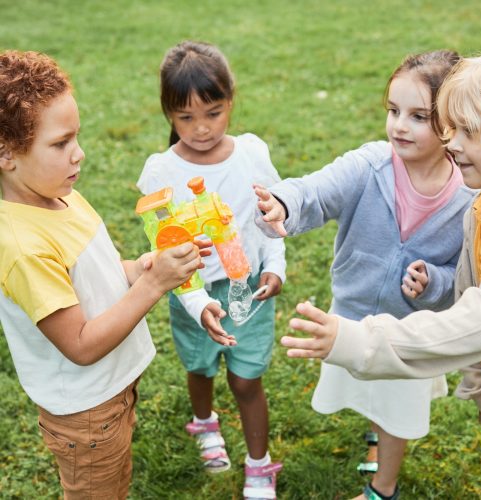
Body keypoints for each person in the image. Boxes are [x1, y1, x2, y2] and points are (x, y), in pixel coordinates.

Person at [277, 49, 481, 499]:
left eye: (421, 117)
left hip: (410, 333)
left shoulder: (465, 198)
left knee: (395, 406)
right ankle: (379, 438)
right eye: (393, 111)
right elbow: (319, 189)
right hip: (361, 317)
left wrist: (430, 284)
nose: (400, 125)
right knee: (371, 396)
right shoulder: (477, 199)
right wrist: (283, 203)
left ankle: (384, 486)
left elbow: (469, 306)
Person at [0, 50, 208, 499]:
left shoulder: (59, 195)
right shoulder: (22, 248)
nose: (79, 153)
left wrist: (144, 268)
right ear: (6, 154)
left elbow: (102, 273)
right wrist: (154, 287)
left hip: (109, 395)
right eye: (60, 144)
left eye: (76, 137)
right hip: (86, 412)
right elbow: (79, 344)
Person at [136, 41, 286, 499]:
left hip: (248, 290)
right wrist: (199, 304)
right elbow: (167, 255)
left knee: (246, 378)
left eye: (214, 113)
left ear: (231, 102)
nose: (201, 129)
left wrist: (275, 266)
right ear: (167, 113)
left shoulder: (252, 154)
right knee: (199, 366)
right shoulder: (161, 173)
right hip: (193, 293)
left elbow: (271, 218)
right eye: (186, 117)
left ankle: (259, 465)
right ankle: (204, 422)